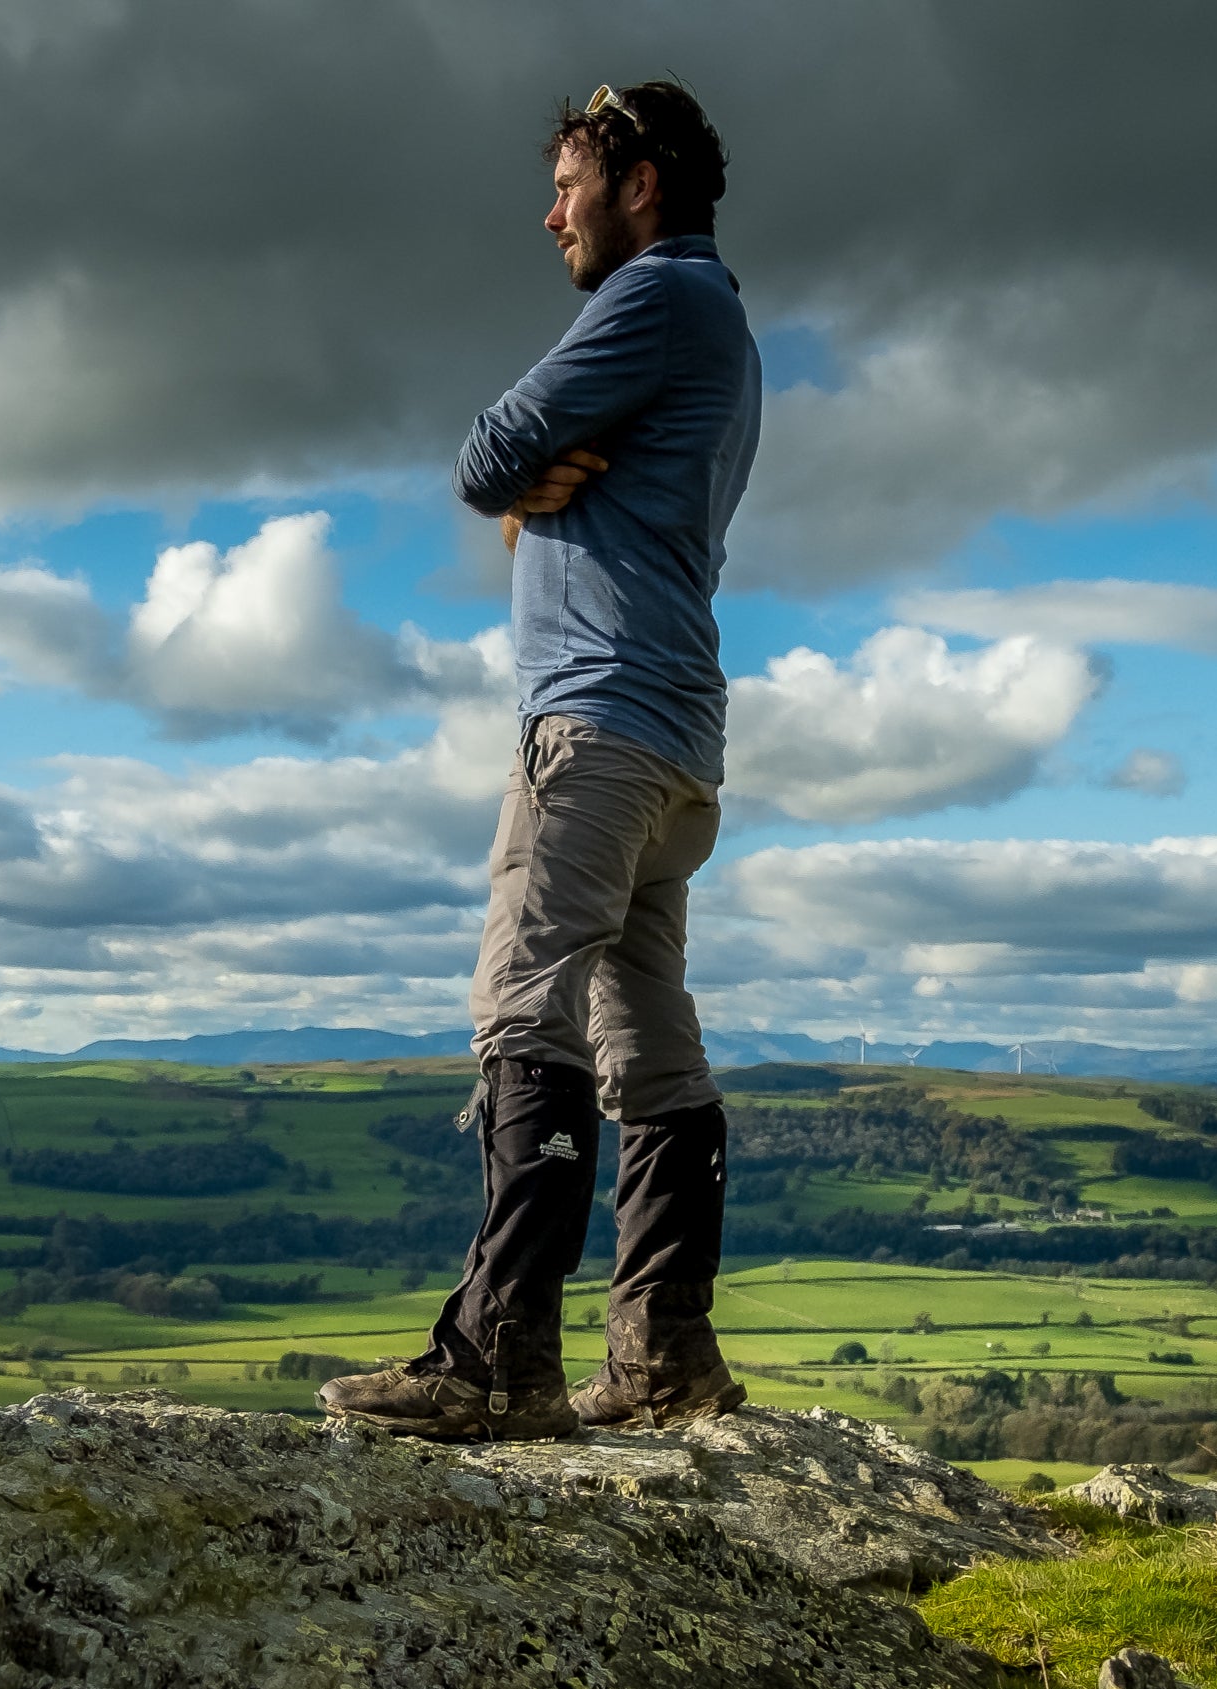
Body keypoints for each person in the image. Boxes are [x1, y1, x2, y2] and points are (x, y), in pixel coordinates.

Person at [323, 80, 760, 1442]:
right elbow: (543, 494)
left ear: (639, 182)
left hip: (595, 722)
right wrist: (537, 503)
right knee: (647, 1036)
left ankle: (498, 1361)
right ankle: (666, 1353)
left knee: (524, 1005)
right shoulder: (721, 321)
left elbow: (486, 453)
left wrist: (518, 485)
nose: (548, 212)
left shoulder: (650, 301)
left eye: (568, 181)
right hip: (675, 737)